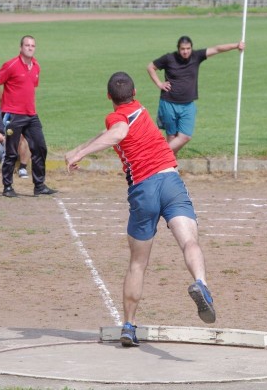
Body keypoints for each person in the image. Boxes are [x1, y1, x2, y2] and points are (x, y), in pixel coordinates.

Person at [65, 72, 215, 348]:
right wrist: (79, 148)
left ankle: (129, 326)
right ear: (134, 92)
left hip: (143, 191)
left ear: (109, 97)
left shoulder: (117, 119)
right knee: (189, 241)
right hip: (170, 181)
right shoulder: (140, 110)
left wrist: (79, 155)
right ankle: (201, 283)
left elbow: (117, 132)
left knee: (138, 263)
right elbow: (113, 131)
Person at [147, 36, 245, 155]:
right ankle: (171, 169)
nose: (185, 51)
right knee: (172, 138)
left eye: (188, 48)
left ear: (191, 48)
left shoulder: (196, 56)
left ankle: (157, 155)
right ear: (178, 48)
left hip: (188, 105)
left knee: (185, 137)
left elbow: (217, 49)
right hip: (168, 103)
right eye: (183, 49)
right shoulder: (169, 58)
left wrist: (236, 45)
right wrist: (159, 84)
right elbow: (151, 67)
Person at [0, 34, 57, 197]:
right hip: (13, 115)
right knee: (12, 151)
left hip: (31, 114)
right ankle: (7, 187)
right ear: (21, 48)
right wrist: (4, 104)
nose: (30, 48)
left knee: (40, 147)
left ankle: (39, 185)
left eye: (32, 46)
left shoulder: (36, 66)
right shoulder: (11, 65)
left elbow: (30, 87)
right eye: (27, 45)